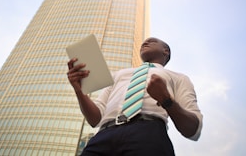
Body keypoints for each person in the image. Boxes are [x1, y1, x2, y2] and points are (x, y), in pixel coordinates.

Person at [67, 37, 203, 155]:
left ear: (165, 51)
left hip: (149, 134)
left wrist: (166, 100)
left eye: (152, 41)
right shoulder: (118, 74)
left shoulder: (179, 78)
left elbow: (193, 129)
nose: (146, 42)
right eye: (144, 42)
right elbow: (95, 119)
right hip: (103, 136)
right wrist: (79, 91)